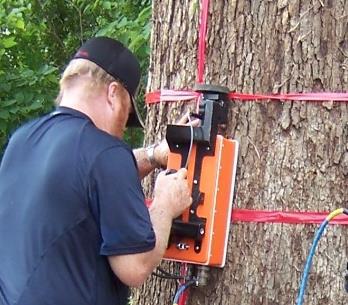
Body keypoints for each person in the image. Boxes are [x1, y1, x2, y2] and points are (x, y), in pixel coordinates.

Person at [0, 37, 192, 305]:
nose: (122, 128)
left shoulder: (21, 141)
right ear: (113, 94)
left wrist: (152, 156)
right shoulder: (105, 153)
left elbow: (84, 182)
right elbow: (135, 267)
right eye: (126, 115)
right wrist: (165, 205)